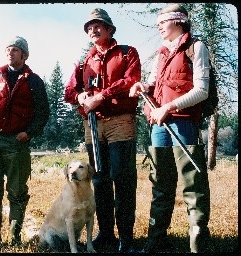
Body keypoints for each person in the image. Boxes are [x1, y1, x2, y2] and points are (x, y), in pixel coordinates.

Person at [129, 4, 211, 253]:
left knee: (192, 186)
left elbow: (202, 90)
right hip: (160, 126)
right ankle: (156, 241)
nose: (159, 27)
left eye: (163, 22)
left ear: (178, 21)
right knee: (160, 184)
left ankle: (198, 245)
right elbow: (154, 84)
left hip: (184, 124)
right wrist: (142, 87)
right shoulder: (162, 52)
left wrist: (169, 107)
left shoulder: (197, 47)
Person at [64, 8, 141, 253]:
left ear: (109, 29)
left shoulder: (127, 53)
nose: (92, 30)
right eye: (89, 28)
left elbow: (130, 81)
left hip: (120, 121)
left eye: (98, 26)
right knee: (100, 179)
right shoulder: (84, 61)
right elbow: (69, 92)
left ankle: (126, 239)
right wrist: (81, 95)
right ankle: (106, 234)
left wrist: (100, 97)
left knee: (123, 178)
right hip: (93, 125)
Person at [0, 36, 50, 248]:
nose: (10, 53)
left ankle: (15, 238)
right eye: (8, 50)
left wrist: (29, 133)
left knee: (17, 192)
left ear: (24, 55)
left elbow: (43, 114)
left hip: (17, 142)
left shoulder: (34, 81)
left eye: (14, 50)